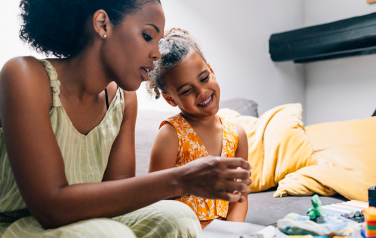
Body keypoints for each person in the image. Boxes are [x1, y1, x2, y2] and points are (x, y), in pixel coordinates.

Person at [0, 0, 252, 237]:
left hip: (88, 221)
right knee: (113, 234)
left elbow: (119, 196)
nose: (157, 54)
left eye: (158, 41)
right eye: (147, 36)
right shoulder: (25, 76)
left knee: (179, 216)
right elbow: (49, 207)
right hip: (16, 225)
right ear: (102, 24)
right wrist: (181, 179)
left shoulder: (123, 98)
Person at [147, 28, 249, 228]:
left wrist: (231, 232)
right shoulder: (170, 134)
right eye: (186, 90)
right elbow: (154, 197)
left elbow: (240, 196)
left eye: (204, 78)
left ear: (211, 70)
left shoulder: (237, 135)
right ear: (170, 99)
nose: (202, 92)